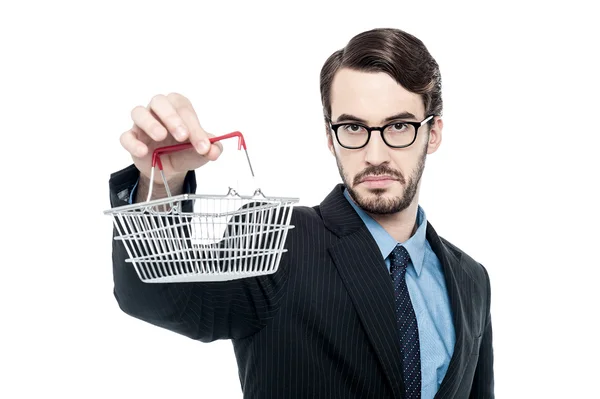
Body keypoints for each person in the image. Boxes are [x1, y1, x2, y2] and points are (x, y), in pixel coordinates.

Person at [108, 27, 494, 398]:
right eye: (353, 129)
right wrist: (160, 184)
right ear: (330, 137)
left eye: (398, 126)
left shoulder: (471, 280)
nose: (375, 156)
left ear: (434, 133)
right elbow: (155, 297)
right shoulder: (275, 238)